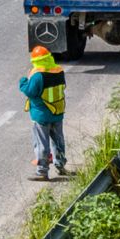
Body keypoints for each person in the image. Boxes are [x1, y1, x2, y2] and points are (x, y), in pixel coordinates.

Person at [19, 44, 68, 180]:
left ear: (36, 61)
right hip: (57, 112)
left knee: (41, 143)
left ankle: (42, 172)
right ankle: (61, 166)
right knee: (58, 141)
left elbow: (30, 92)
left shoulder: (38, 75)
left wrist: (23, 81)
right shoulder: (59, 71)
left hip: (41, 116)